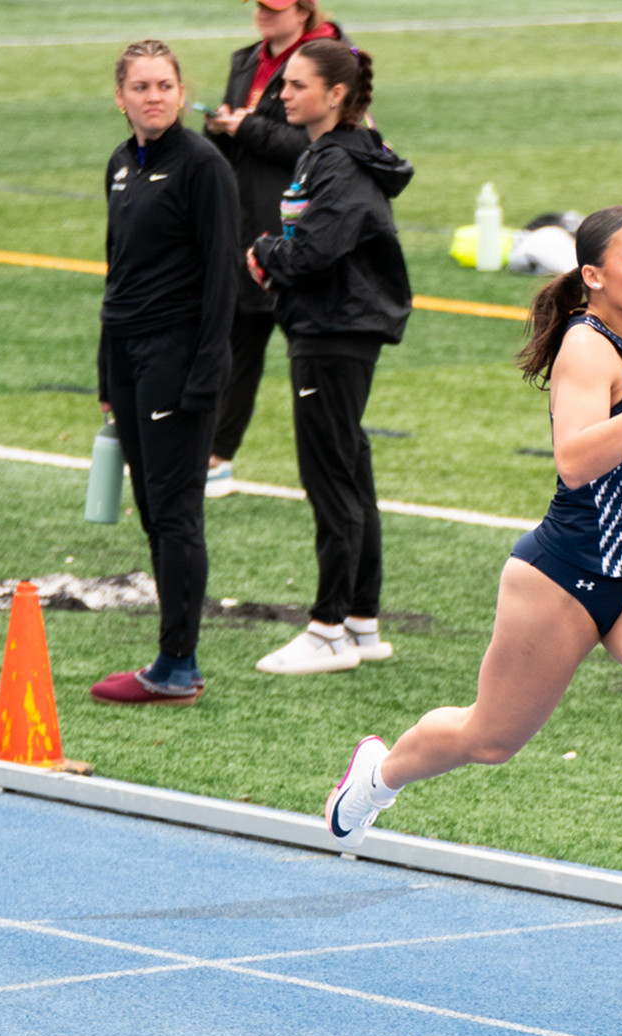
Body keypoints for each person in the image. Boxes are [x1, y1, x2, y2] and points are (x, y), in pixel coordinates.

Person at [320, 206, 622, 959]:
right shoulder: (585, 349)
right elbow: (575, 460)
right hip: (562, 577)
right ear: (593, 276)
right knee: (489, 741)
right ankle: (378, 774)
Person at [246, 40, 412, 676]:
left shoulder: (339, 164)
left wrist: (265, 256)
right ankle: (362, 622)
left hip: (335, 329)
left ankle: (328, 629)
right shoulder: (331, 153)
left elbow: (314, 248)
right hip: (332, 325)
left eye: (295, 84)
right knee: (349, 467)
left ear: (335, 94)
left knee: (330, 477)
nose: (281, 94)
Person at [89, 40, 240, 706]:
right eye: (140, 86)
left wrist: (207, 374)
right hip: (128, 360)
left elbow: (220, 280)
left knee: (176, 514)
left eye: (164, 85)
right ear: (119, 97)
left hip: (177, 359)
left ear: (182, 92)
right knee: (152, 511)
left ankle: (178, 665)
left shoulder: (203, 167)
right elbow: (115, 272)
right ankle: (172, 656)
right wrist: (105, 371)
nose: (153, 96)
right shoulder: (121, 165)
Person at [200, 0, 345, 500]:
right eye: (258, 5)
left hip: (300, 227)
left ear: (303, 10)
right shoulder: (247, 59)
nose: (263, 13)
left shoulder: (329, 60)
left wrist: (245, 128)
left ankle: (329, 466)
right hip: (246, 220)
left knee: (311, 349)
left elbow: (317, 142)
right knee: (239, 339)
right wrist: (218, 126)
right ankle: (217, 457)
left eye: (273, 6)